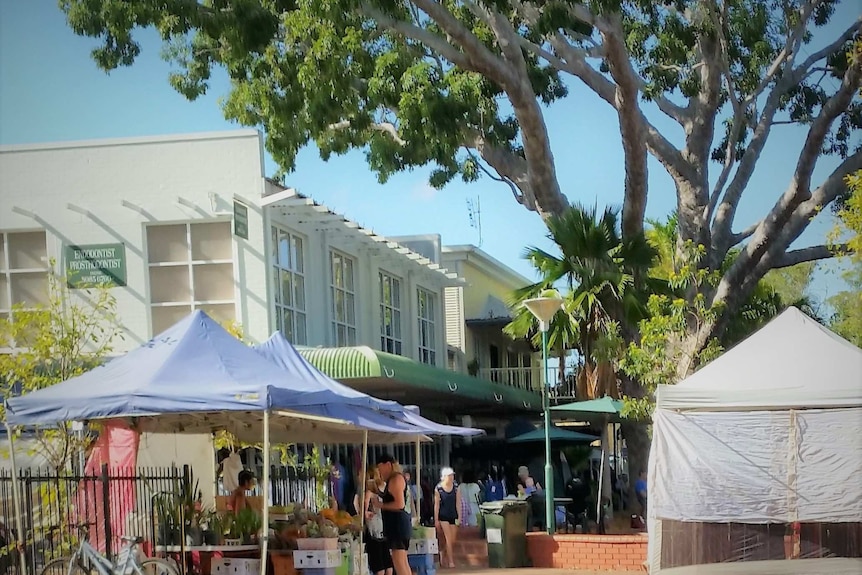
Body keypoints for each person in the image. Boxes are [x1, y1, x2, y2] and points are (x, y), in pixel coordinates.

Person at [372, 454, 412, 575]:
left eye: (380, 468)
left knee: (399, 562)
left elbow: (399, 504)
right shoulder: (392, 480)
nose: (380, 472)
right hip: (395, 524)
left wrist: (381, 506)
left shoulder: (396, 479)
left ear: (388, 465)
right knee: (401, 561)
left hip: (398, 525)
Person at [362, 472, 393, 575]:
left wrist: (365, 512)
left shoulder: (370, 492)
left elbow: (364, 506)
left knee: (378, 562)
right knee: (387, 560)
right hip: (386, 527)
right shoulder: (385, 488)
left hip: (374, 529)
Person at [434, 467, 460, 568]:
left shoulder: (456, 487)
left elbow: (458, 502)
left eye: (452, 475)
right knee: (448, 538)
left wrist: (460, 516)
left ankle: (442, 553)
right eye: (450, 476)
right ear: (444, 477)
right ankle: (451, 561)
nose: (452, 477)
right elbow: (436, 505)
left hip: (453, 514)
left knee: (452, 540)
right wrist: (436, 519)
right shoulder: (438, 489)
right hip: (443, 515)